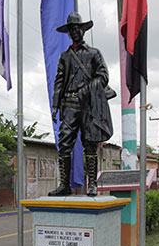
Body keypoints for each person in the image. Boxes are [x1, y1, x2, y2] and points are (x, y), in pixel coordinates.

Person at [48, 12, 113, 197]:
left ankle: (92, 184)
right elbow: (59, 81)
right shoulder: (64, 56)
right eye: (72, 29)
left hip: (88, 105)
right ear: (68, 33)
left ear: (83, 30)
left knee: (90, 143)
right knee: (64, 143)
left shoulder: (94, 53)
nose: (75, 31)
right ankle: (65, 185)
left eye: (78, 28)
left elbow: (103, 76)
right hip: (68, 104)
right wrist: (55, 105)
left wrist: (88, 88)